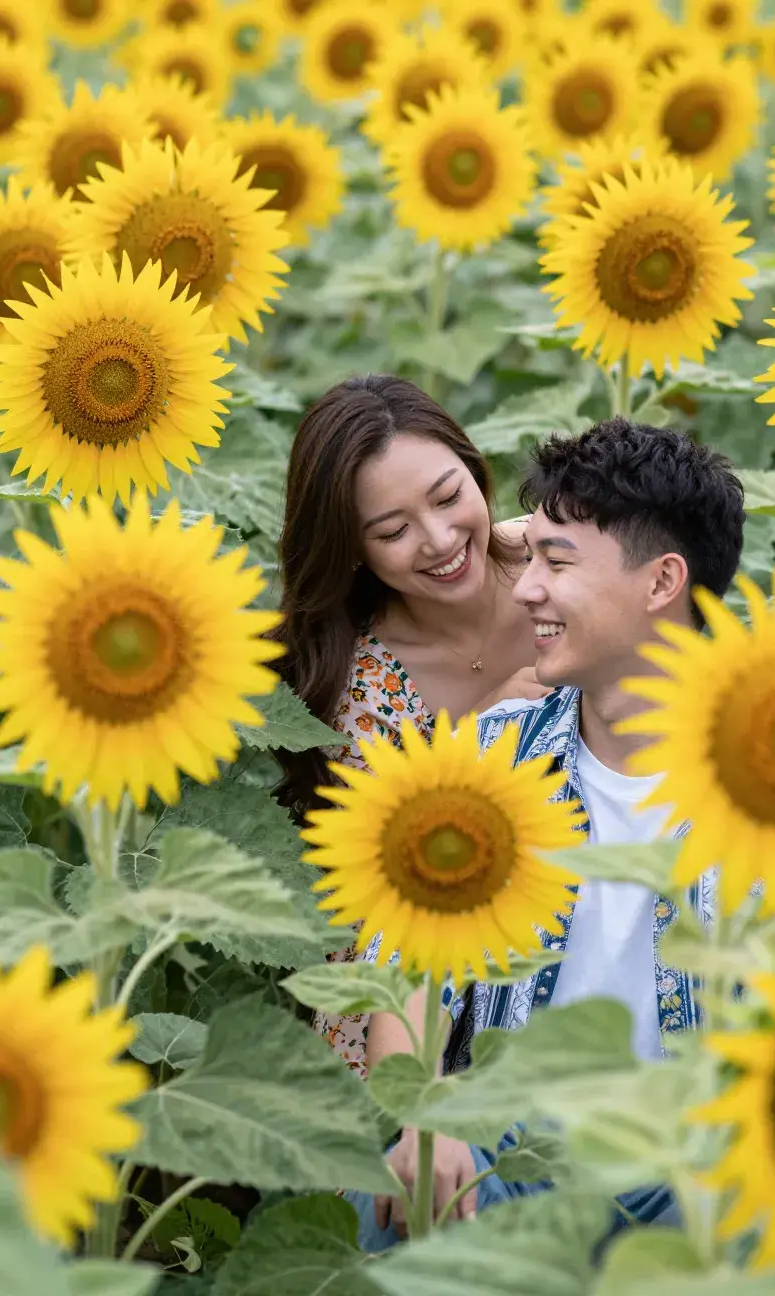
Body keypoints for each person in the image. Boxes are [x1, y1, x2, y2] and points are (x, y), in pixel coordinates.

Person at [351, 417, 775, 1248]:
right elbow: (405, 967)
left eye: (557, 562)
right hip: (511, 1159)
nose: (522, 590)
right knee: (368, 1211)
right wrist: (424, 1112)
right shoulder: (484, 760)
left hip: (701, 1168)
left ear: (662, 582)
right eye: (532, 556)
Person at [273, 374, 545, 1079]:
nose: (440, 540)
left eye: (450, 496)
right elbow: (386, 898)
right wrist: (490, 730)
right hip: (420, 970)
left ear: (475, 469)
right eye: (392, 531)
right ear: (354, 550)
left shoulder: (561, 566)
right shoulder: (364, 689)